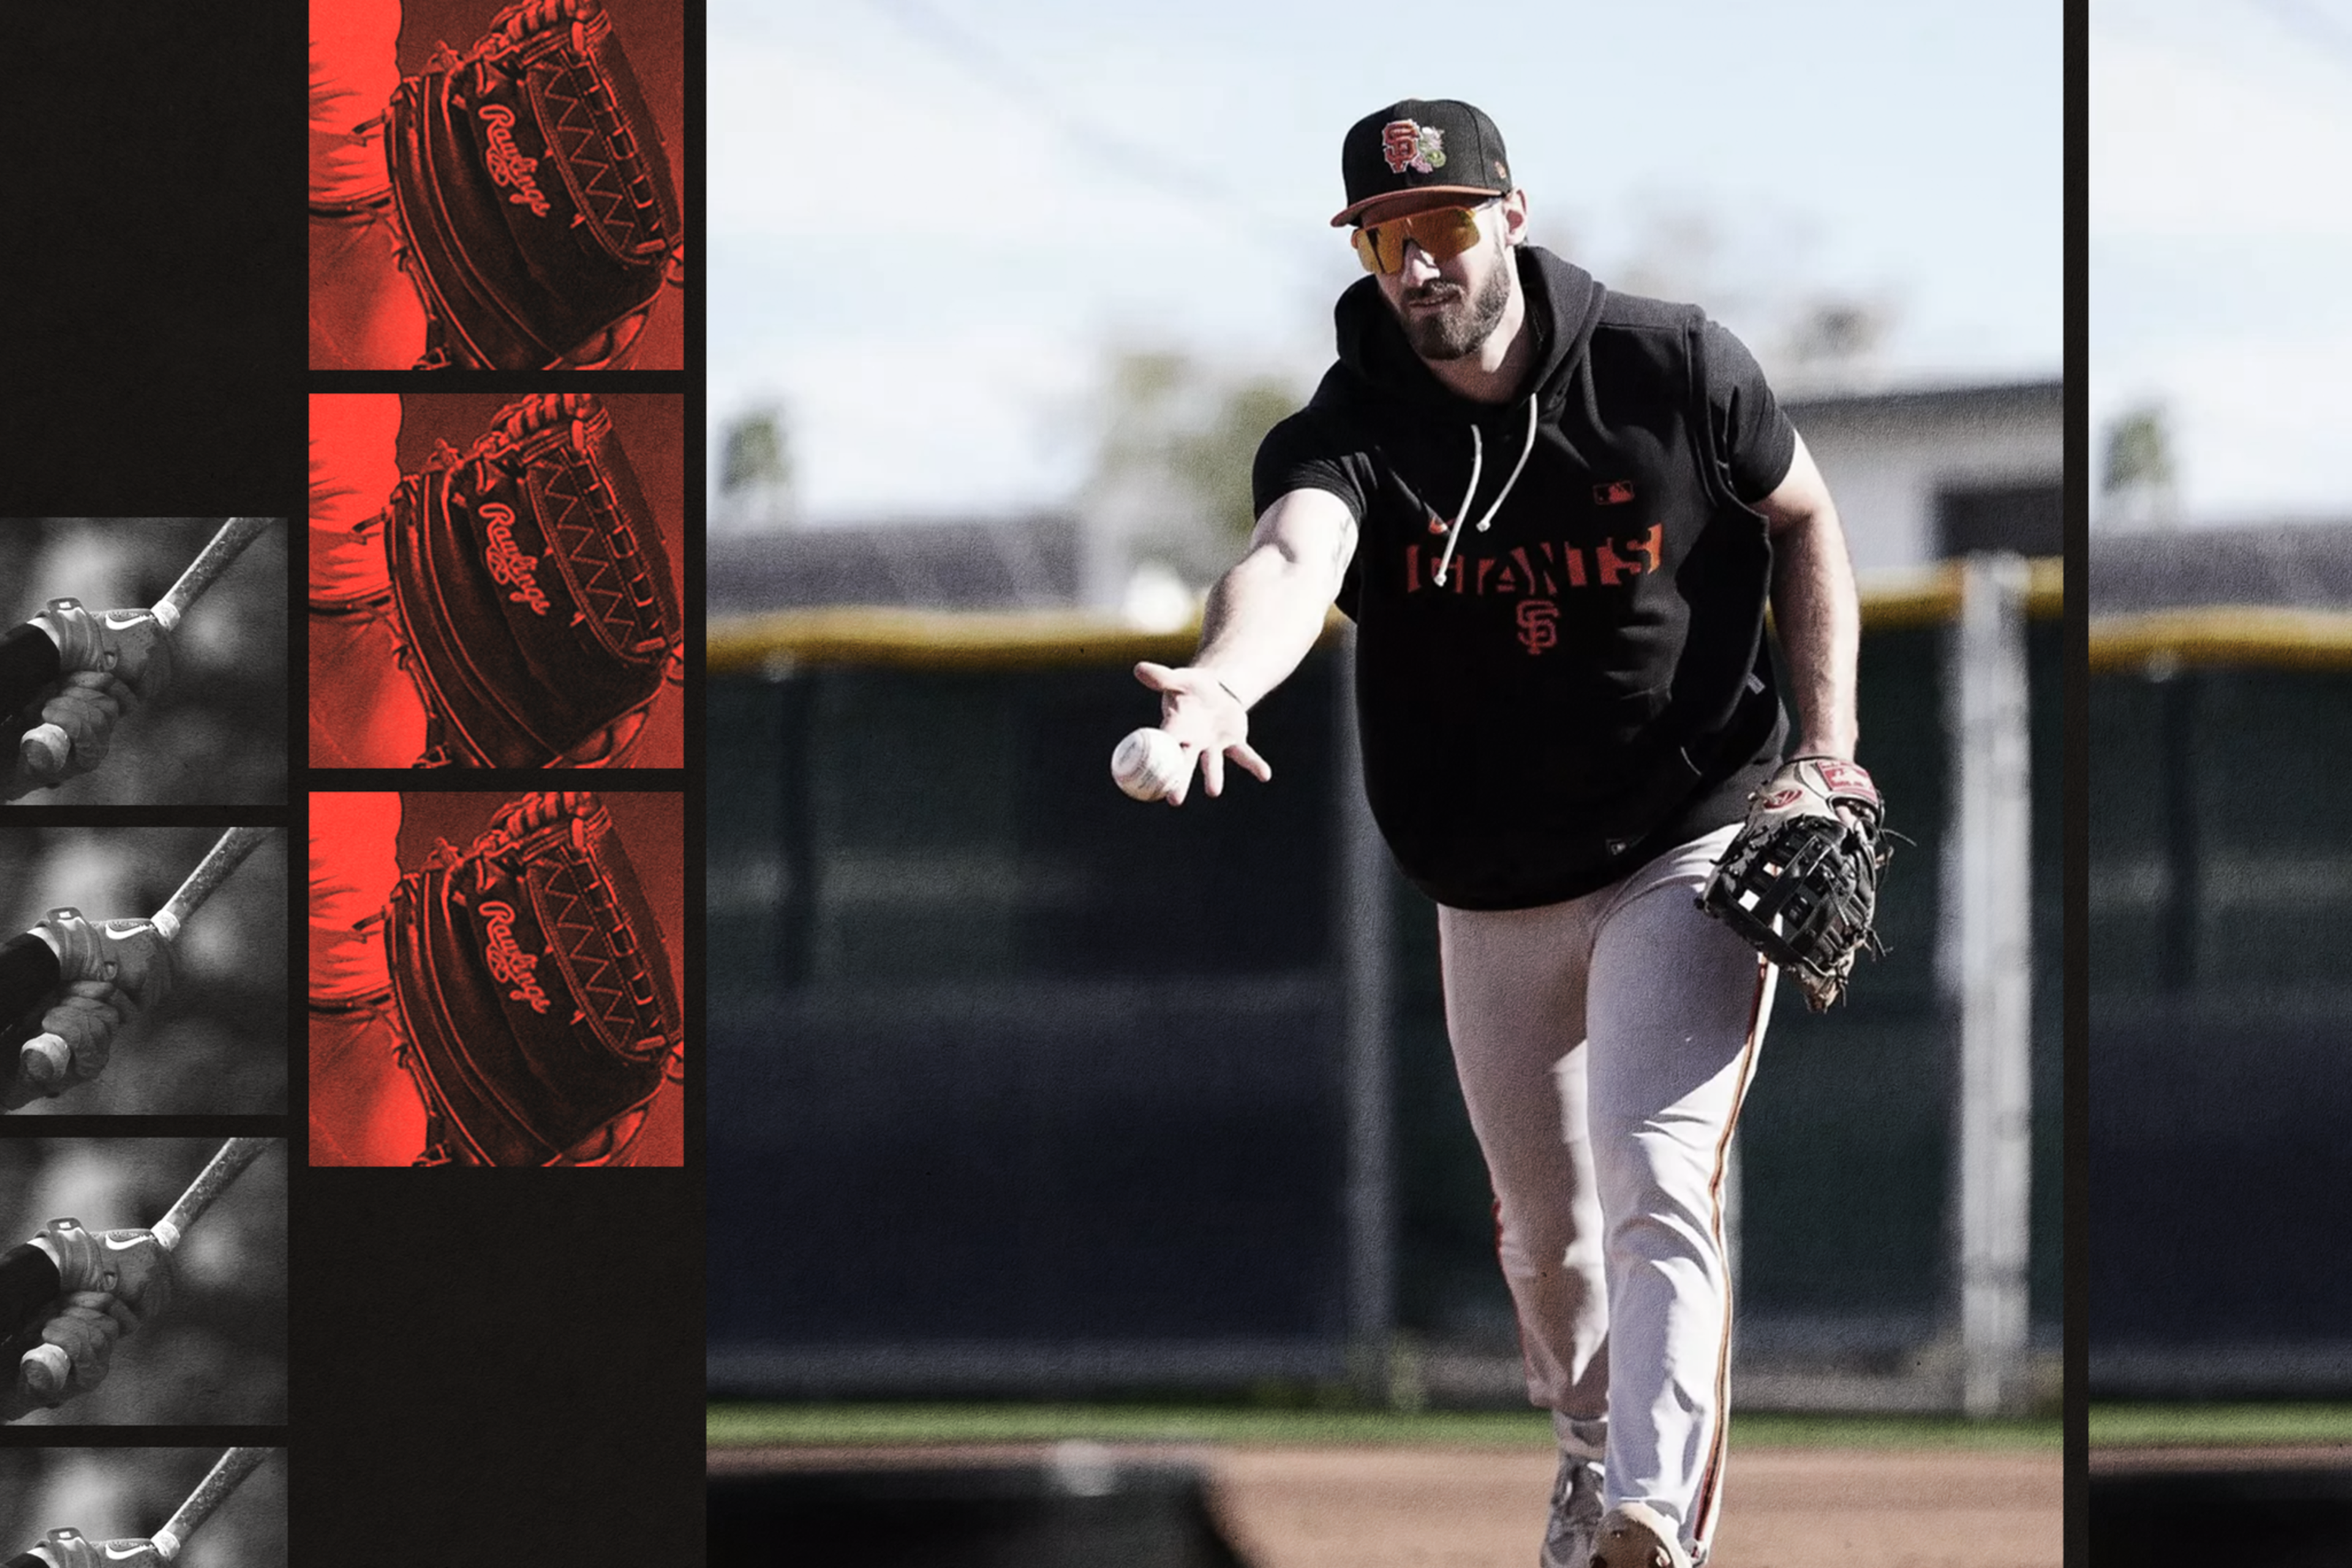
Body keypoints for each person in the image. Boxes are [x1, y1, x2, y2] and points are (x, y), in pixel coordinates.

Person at [1134, 100, 1867, 1568]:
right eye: (1389, 235)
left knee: (1661, 1166)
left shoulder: (1672, 366)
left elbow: (1804, 515)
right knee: (1553, 1244)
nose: (1421, 263)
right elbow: (1294, 556)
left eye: (1447, 225)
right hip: (1488, 883)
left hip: (1690, 833)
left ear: (1512, 218)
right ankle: (1591, 1448)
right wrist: (1222, 679)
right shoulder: (1351, 430)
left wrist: (1830, 751)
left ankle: (1657, 1522)